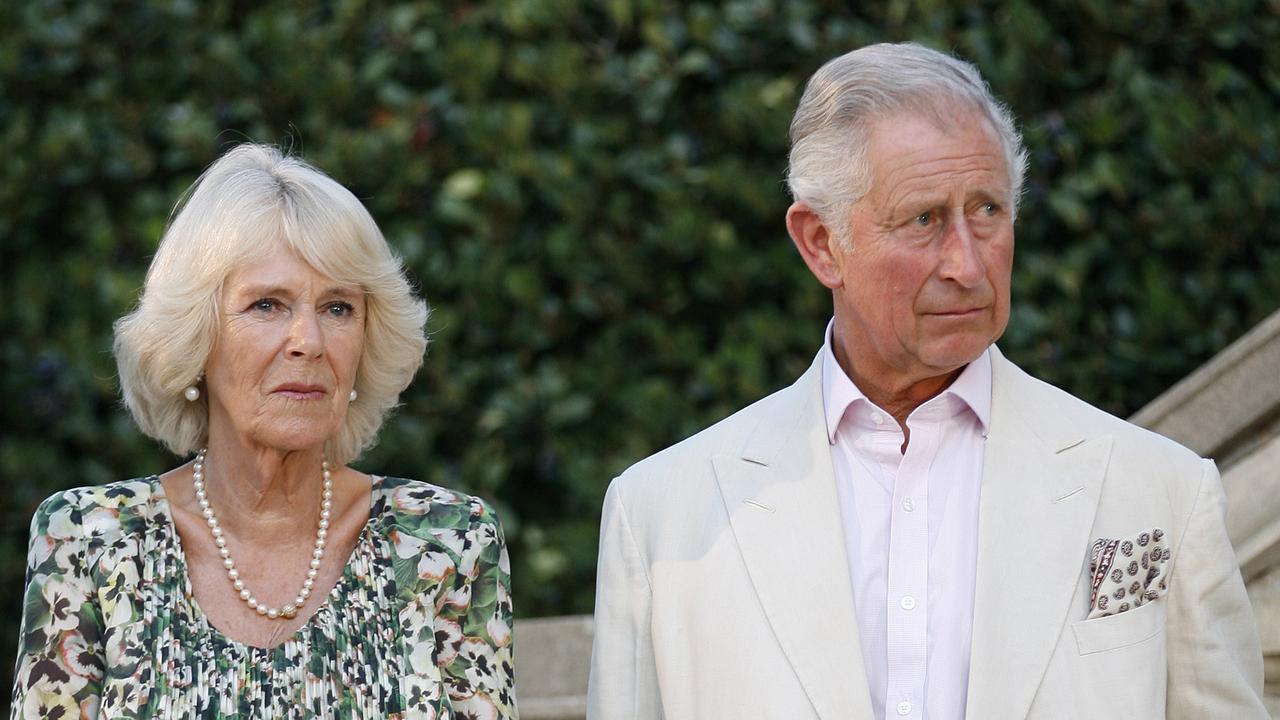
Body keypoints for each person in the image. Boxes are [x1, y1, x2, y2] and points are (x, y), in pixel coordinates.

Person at [587, 42, 1266, 719]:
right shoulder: (660, 518)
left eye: (988, 211)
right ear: (821, 243)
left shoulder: (1162, 493)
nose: (968, 265)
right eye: (925, 219)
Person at [11, 144, 516, 719]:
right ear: (196, 341)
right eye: (268, 305)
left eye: (338, 308)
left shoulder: (446, 541)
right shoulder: (89, 541)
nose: (309, 340)